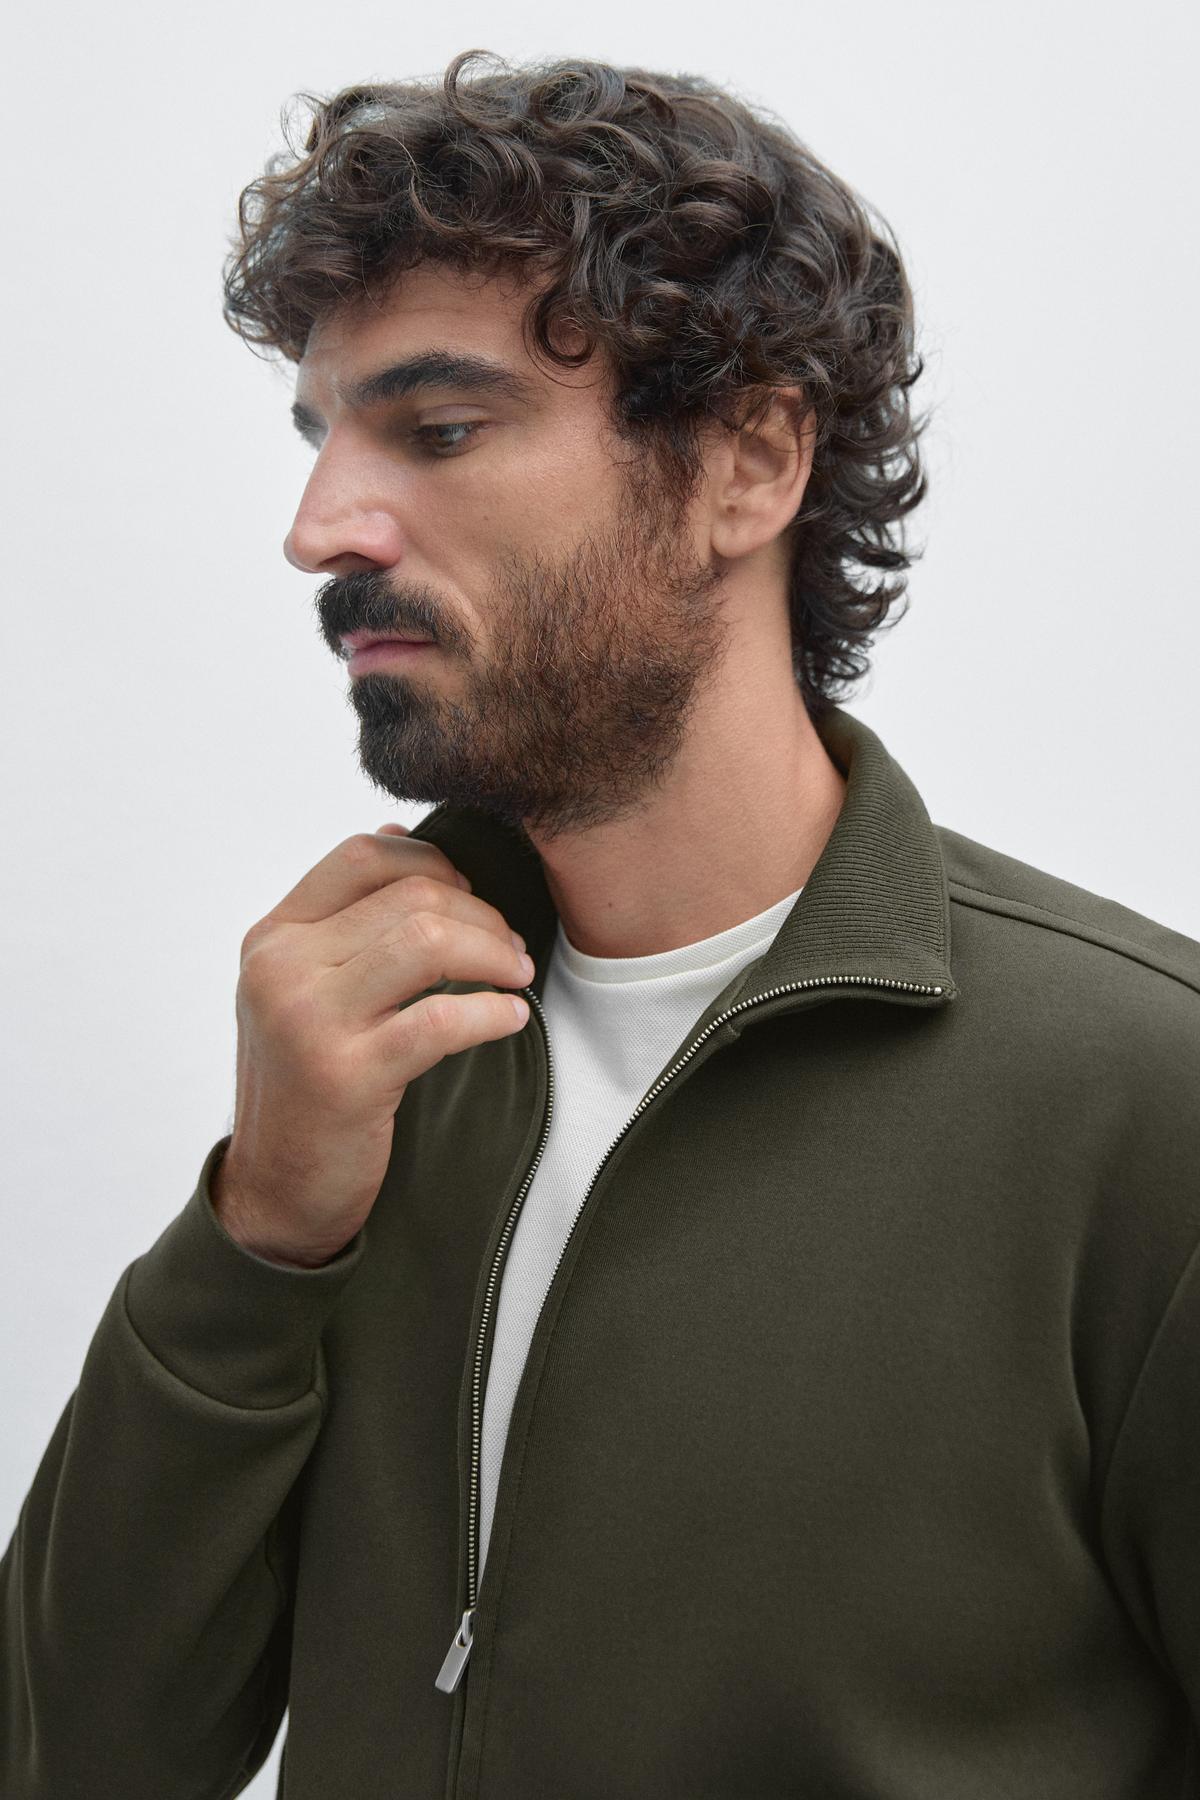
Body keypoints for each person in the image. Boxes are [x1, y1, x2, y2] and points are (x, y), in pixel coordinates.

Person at [4, 47, 1199, 1800]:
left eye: (440, 429)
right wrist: (263, 1229)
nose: (321, 528)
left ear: (748, 462)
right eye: (323, 438)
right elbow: (79, 1757)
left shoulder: (1144, 1104)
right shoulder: (378, 1056)